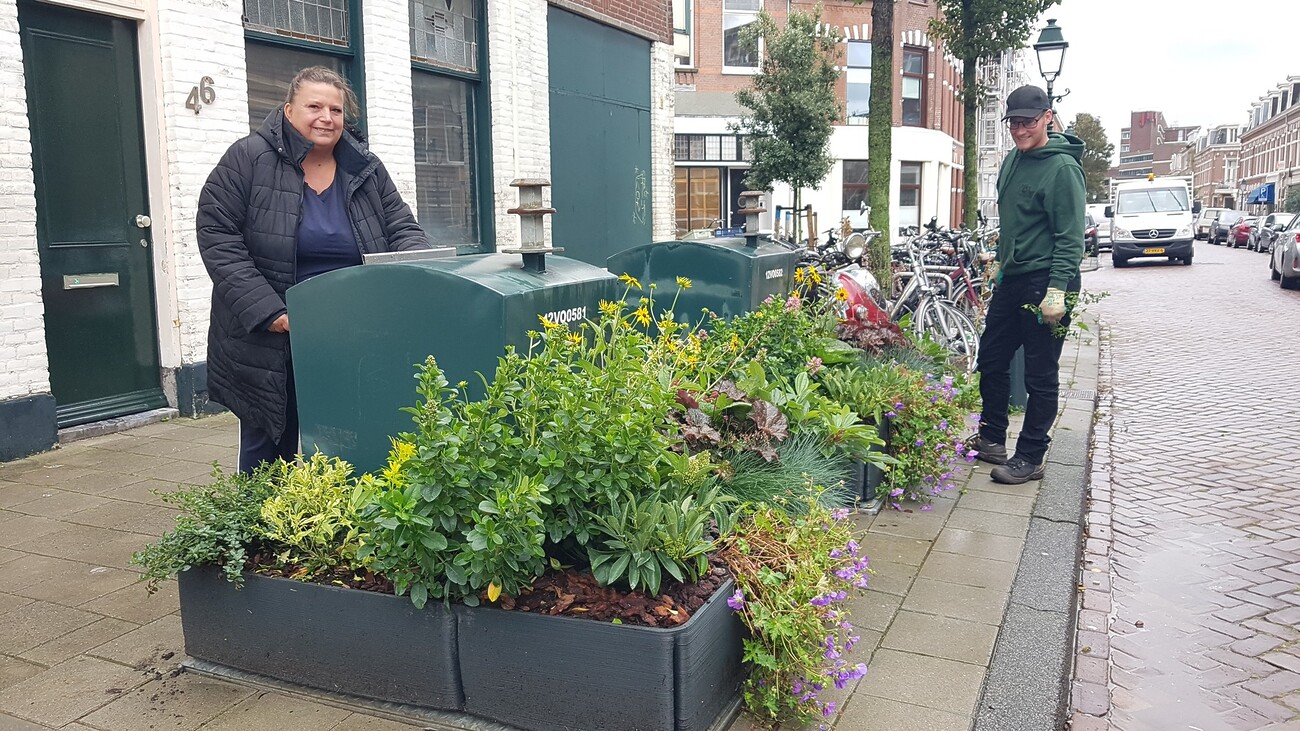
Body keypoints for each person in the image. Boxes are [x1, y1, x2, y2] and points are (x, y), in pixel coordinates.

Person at [197, 66, 430, 473]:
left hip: (352, 331)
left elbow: (403, 228)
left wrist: (408, 279)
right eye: (315, 106)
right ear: (289, 111)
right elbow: (218, 237)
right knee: (268, 444)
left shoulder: (366, 168)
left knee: (348, 436)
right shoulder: (248, 158)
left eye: (336, 110)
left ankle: (344, 525)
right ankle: (260, 529)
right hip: (272, 332)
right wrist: (271, 313)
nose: (327, 117)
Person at [968, 85, 1085, 485]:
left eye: (1027, 122)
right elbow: (1014, 223)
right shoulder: (1013, 161)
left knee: (1039, 373)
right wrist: (1002, 263)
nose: (1019, 130)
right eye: (1013, 123)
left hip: (1049, 279)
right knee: (992, 359)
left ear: (1047, 117)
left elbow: (1070, 238)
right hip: (1015, 278)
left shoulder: (1063, 170)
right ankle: (992, 438)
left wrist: (1057, 292)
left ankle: (1031, 456)